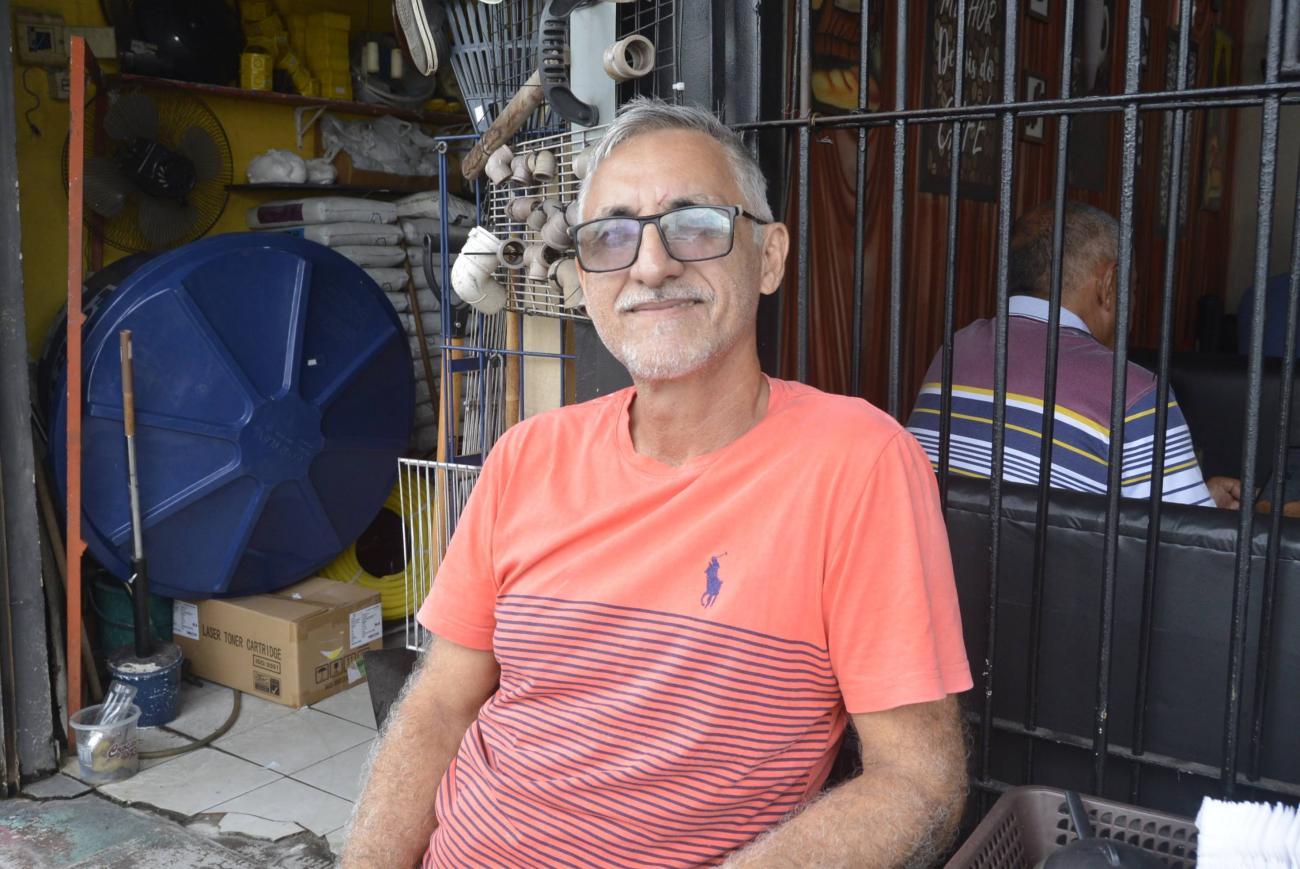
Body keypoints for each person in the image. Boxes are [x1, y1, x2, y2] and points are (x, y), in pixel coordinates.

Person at [343, 98, 973, 868]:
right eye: (611, 235)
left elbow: (918, 779)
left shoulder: (858, 463)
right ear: (584, 278)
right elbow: (441, 702)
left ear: (769, 257)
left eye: (695, 224)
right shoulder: (525, 456)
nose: (650, 265)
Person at [907, 201, 1240, 509]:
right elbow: (1181, 543)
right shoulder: (1136, 394)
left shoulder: (953, 351)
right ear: (1109, 283)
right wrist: (1208, 514)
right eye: (1133, 288)